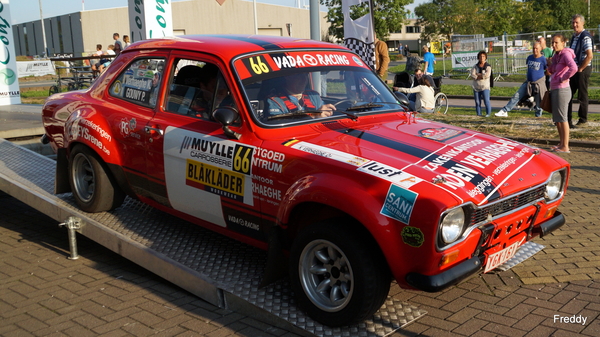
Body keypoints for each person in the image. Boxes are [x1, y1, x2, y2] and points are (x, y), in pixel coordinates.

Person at [495, 42, 547, 117]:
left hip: (538, 83)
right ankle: (504, 110)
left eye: (537, 48)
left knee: (539, 102)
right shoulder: (529, 57)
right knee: (517, 95)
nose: (535, 50)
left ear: (540, 49)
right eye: (534, 48)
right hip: (529, 82)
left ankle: (538, 116)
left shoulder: (543, 59)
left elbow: (547, 70)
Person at [547, 33, 577, 153]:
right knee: (557, 119)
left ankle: (565, 146)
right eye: (552, 43)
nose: (553, 45)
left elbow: (573, 67)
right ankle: (561, 143)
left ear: (563, 43)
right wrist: (550, 67)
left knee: (563, 118)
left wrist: (562, 78)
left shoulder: (565, 54)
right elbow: (553, 69)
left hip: (562, 89)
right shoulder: (557, 55)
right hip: (555, 88)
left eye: (556, 43)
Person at [265, 72, 335, 118]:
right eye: (299, 75)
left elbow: (324, 115)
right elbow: (278, 125)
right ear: (287, 76)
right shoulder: (275, 101)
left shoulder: (314, 95)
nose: (304, 79)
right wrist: (314, 115)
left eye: (306, 75)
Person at [567, 14, 594, 128]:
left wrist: (581, 69)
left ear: (582, 23)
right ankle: (567, 119)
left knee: (582, 95)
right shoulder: (575, 36)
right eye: (573, 22)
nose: (574, 25)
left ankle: (583, 119)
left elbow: (589, 55)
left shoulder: (585, 37)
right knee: (568, 94)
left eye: (577, 22)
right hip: (574, 69)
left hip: (582, 69)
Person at [471, 50, 492, 117]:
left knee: (486, 101)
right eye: (480, 56)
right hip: (476, 87)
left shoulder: (488, 66)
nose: (482, 58)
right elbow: (473, 75)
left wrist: (479, 75)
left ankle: (488, 114)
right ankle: (479, 114)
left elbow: (487, 75)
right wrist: (479, 76)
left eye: (483, 56)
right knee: (477, 102)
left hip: (485, 86)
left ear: (485, 57)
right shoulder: (475, 66)